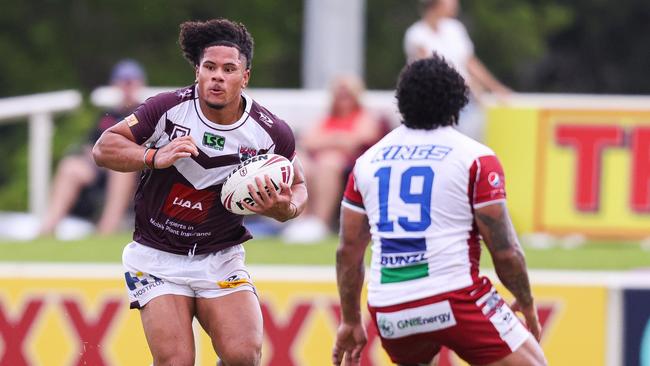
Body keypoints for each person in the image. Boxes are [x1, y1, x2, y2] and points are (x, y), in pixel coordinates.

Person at [92, 19, 307, 366]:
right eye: (209, 67)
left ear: (245, 77)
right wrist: (153, 156)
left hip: (219, 257)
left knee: (243, 355)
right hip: (156, 256)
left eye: (228, 69)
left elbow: (298, 185)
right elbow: (105, 147)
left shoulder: (270, 132)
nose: (217, 76)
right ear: (197, 71)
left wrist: (287, 210)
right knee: (176, 361)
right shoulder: (166, 108)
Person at [332, 55, 546, 366]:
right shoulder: (475, 157)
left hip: (390, 306)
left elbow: (348, 251)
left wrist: (351, 320)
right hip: (456, 296)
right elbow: (506, 251)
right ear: (458, 103)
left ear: (401, 102)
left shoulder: (367, 162)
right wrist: (525, 301)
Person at [40, 59, 146, 237]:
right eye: (123, 82)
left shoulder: (146, 112)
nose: (127, 86)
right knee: (70, 167)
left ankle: (106, 230)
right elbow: (91, 145)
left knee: (121, 170)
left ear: (140, 83)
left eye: (131, 81)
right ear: (115, 84)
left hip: (132, 172)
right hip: (101, 167)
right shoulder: (107, 116)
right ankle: (47, 228)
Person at [281, 75, 382, 243]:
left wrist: (329, 141)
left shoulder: (364, 117)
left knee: (329, 162)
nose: (343, 99)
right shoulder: (327, 119)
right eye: (339, 94)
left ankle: (321, 222)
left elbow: (360, 139)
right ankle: (300, 218)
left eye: (347, 94)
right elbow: (308, 141)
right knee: (301, 163)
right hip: (320, 162)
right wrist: (337, 139)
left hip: (346, 165)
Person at [404, 0, 511, 141]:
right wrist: (470, 85)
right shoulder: (416, 34)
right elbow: (430, 68)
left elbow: (470, 63)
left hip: (464, 98)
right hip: (436, 101)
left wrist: (495, 88)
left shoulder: (455, 28)